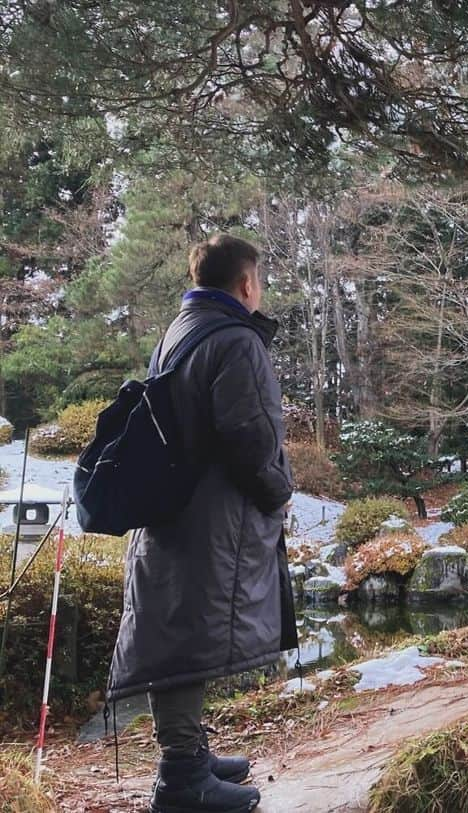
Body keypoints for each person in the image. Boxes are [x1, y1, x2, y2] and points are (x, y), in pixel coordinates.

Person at [105, 234, 297, 813]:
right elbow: (250, 434)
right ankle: (181, 777)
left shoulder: (179, 333)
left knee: (179, 630)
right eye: (258, 280)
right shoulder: (235, 339)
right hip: (210, 519)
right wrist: (279, 491)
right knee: (188, 639)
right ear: (245, 284)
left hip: (175, 512)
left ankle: (191, 753)